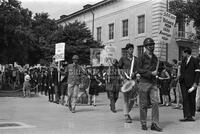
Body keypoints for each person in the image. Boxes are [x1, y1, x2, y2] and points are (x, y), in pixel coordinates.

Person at [137, 38, 162, 131]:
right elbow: (139, 69)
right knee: (143, 104)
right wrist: (150, 73)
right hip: (144, 82)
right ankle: (143, 122)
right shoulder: (141, 57)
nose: (152, 46)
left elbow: (158, 69)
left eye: (153, 45)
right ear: (146, 47)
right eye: (150, 45)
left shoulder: (156, 58)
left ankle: (154, 123)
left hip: (153, 83)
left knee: (155, 102)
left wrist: (158, 72)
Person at [118, 43, 138, 123]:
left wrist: (135, 73)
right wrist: (122, 77)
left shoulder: (136, 59)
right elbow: (119, 69)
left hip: (133, 81)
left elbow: (138, 69)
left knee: (133, 99)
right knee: (126, 99)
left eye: (132, 49)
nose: (131, 50)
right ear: (127, 50)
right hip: (125, 80)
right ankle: (126, 115)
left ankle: (127, 112)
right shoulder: (122, 59)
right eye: (130, 49)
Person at [179, 48, 200, 122]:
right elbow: (182, 71)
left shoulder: (195, 60)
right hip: (183, 83)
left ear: (187, 53)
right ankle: (186, 116)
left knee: (191, 99)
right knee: (185, 99)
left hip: (192, 83)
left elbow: (197, 72)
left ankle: (192, 115)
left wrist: (195, 83)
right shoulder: (183, 60)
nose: (182, 54)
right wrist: (180, 79)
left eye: (183, 53)